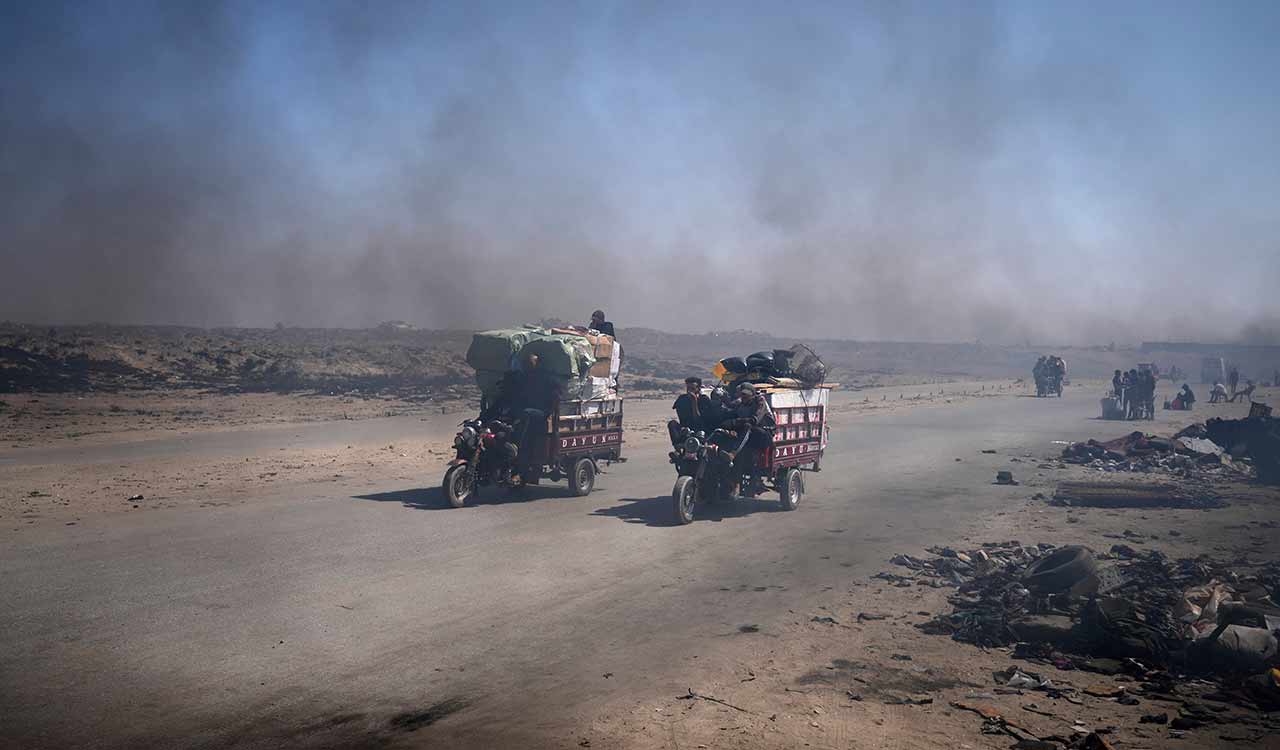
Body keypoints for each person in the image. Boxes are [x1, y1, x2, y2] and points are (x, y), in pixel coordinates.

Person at [723, 382, 776, 494]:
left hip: (764, 434)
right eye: (742, 395)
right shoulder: (740, 402)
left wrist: (736, 422)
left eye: (746, 395)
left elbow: (754, 420)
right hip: (749, 436)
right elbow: (730, 408)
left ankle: (733, 453)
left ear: (752, 394)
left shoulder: (760, 402)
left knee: (747, 427)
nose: (744, 398)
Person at [668, 376, 713, 446]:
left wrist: (694, 403)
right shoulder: (682, 399)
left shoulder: (704, 400)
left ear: (698, 389)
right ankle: (677, 446)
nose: (689, 391)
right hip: (686, 428)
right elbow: (681, 416)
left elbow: (699, 420)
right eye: (688, 388)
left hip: (701, 428)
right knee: (672, 423)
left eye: (692, 389)